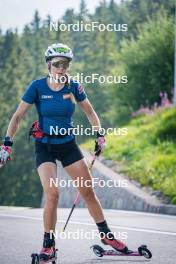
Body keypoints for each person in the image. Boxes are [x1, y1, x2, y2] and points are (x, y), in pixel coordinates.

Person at [0, 43, 129, 261]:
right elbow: (17, 116)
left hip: (68, 144)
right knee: (53, 194)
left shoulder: (74, 87)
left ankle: (106, 236)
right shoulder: (37, 87)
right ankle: (48, 245)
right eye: (58, 64)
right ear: (49, 65)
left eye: (66, 64)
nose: (62, 68)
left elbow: (90, 111)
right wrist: (7, 143)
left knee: (88, 192)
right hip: (45, 146)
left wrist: (99, 134)